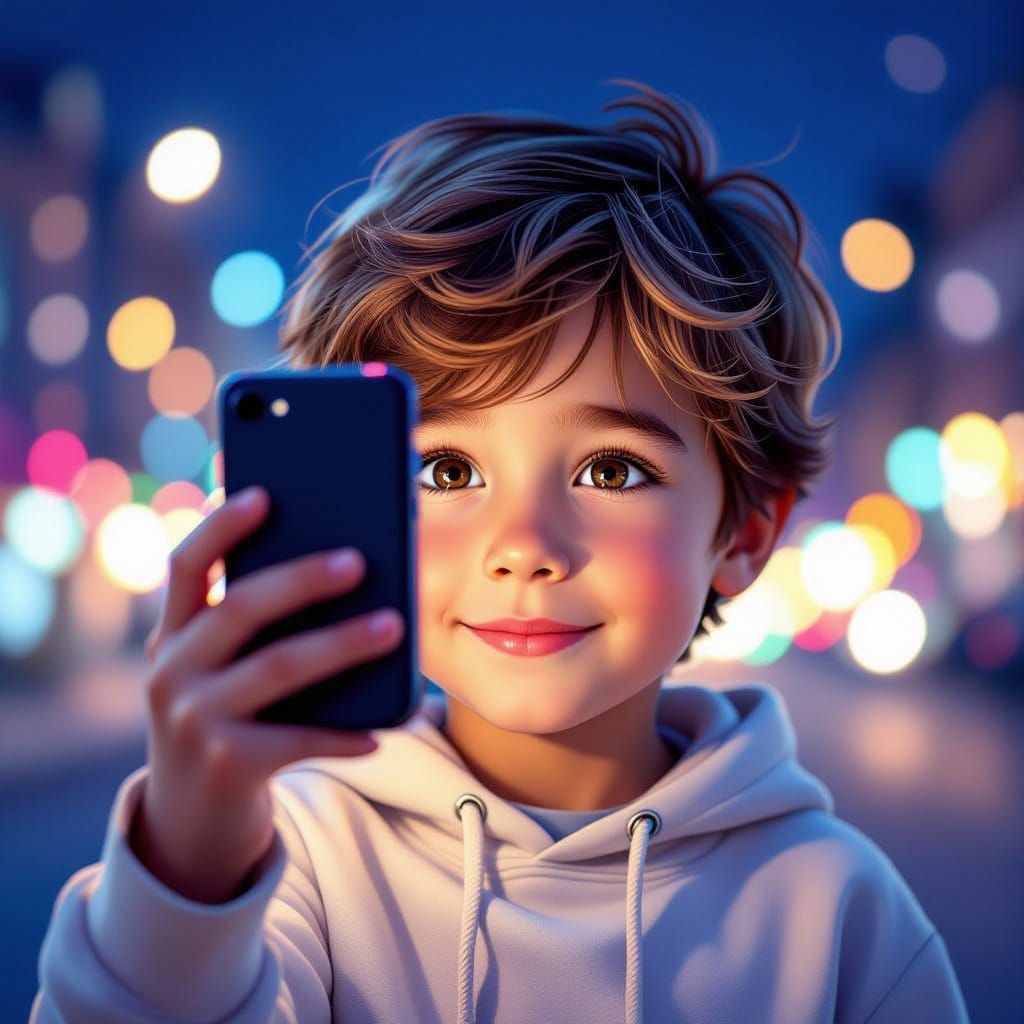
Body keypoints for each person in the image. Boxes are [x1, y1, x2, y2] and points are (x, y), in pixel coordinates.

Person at [31, 79, 970, 1023]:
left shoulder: (842, 917)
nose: (524, 548)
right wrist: (185, 862)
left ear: (747, 533)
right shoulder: (287, 861)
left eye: (610, 470)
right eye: (443, 471)